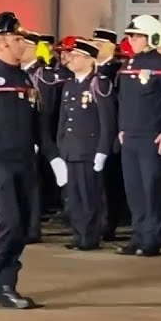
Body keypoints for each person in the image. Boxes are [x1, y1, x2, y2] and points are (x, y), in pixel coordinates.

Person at [0, 12, 41, 308]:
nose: (24, 45)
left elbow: (35, 122)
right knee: (6, 221)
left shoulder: (25, 77)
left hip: (24, 160)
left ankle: (5, 286)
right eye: (18, 40)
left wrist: (50, 156)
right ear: (1, 44)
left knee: (22, 226)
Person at [116, 15, 161, 256]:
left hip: (152, 137)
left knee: (151, 188)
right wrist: (122, 129)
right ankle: (138, 235)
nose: (131, 40)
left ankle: (152, 238)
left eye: (136, 36)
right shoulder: (128, 66)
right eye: (130, 36)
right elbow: (122, 101)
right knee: (134, 189)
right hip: (131, 136)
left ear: (151, 37)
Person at [54, 37, 117, 251]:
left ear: (88, 59)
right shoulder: (70, 84)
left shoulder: (98, 83)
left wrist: (103, 150)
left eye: (76, 55)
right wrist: (61, 146)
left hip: (90, 149)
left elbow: (107, 120)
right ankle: (79, 233)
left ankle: (90, 236)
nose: (70, 59)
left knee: (90, 195)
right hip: (72, 149)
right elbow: (64, 119)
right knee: (74, 195)